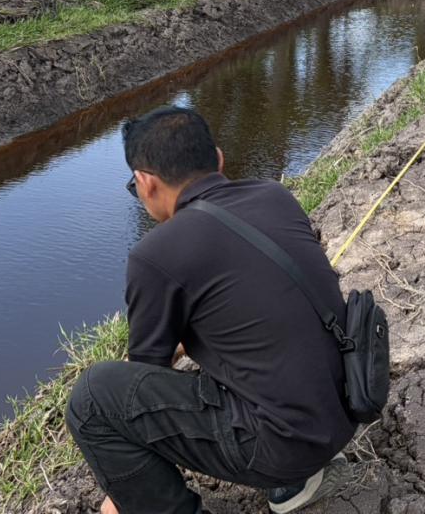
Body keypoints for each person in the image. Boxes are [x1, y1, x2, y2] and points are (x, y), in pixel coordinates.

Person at [66, 106, 355, 514]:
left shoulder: (155, 255)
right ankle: (298, 480)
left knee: (95, 396)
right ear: (217, 159)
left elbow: (143, 383)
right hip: (345, 413)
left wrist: (126, 494)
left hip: (284, 445)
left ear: (145, 182)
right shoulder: (274, 196)